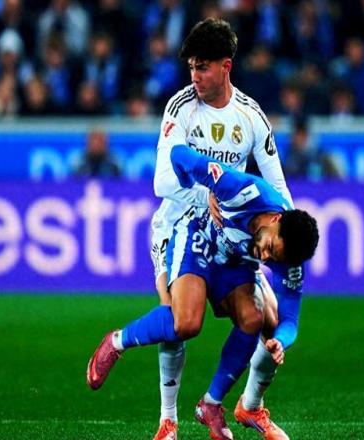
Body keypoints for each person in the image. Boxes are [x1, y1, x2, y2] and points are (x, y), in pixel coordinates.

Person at [87, 145, 319, 440]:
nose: (266, 257)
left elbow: (290, 320)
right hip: (197, 237)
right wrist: (201, 192)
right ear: (276, 219)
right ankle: (117, 341)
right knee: (186, 323)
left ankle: (211, 404)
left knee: (254, 318)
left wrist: (280, 342)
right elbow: (179, 155)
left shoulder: (290, 258)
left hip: (234, 261)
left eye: (273, 258)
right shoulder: (241, 189)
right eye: (269, 248)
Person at [149, 18, 293, 440]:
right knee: (177, 319)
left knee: (270, 319)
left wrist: (290, 231)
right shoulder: (180, 107)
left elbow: (279, 186)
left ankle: (250, 406)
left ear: (226, 66)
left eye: (203, 67)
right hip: (178, 224)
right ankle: (168, 419)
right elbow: (162, 181)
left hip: (229, 235)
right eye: (191, 67)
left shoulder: (251, 116)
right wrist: (206, 193)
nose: (194, 76)